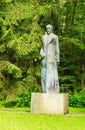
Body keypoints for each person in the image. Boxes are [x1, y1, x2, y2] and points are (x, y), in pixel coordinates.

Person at [40, 24, 60, 93]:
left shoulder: (55, 37)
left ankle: (52, 90)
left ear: (52, 29)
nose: (48, 29)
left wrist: (57, 59)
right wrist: (42, 53)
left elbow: (57, 48)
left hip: (52, 59)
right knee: (44, 74)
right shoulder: (43, 37)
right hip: (45, 59)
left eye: (49, 28)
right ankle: (44, 90)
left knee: (52, 75)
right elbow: (42, 48)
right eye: (47, 28)